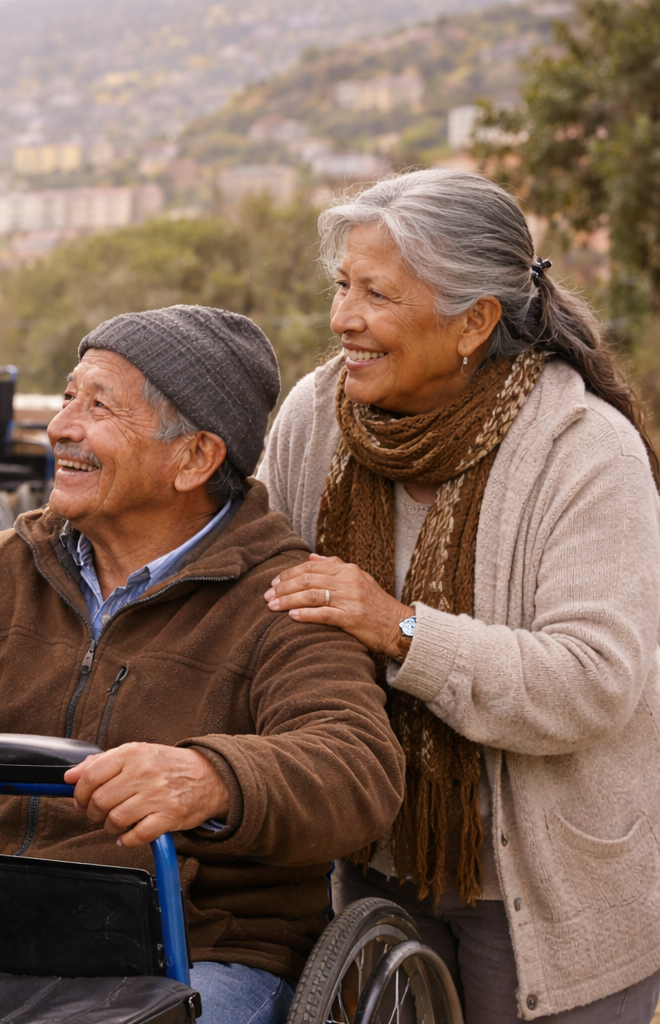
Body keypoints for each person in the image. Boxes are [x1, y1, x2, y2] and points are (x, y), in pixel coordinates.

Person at [0, 307, 405, 1024]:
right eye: (68, 397)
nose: (61, 426)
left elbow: (358, 768)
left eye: (99, 406)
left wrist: (212, 777)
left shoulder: (282, 599)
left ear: (195, 459)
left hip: (191, 952)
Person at [259, 168, 660, 1022]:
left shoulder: (586, 449)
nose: (343, 318)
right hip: (374, 860)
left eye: (377, 294)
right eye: (342, 286)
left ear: (474, 321)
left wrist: (398, 627)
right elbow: (260, 589)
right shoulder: (317, 416)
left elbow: (593, 682)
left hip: (550, 887)